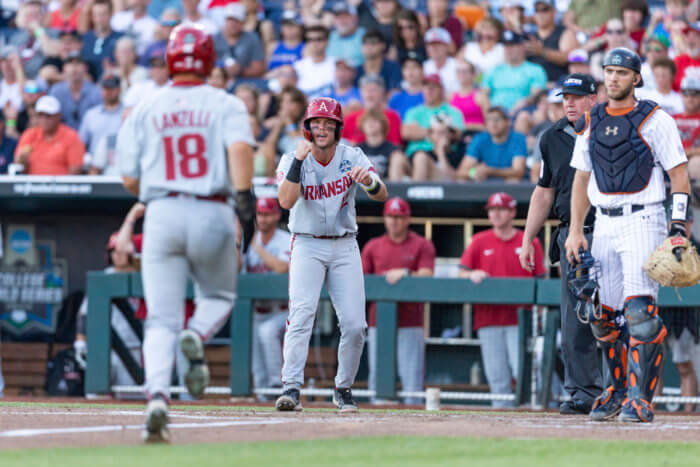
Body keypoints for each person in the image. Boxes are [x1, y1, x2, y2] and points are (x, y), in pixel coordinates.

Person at [116, 24, 256, 442]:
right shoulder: (225, 103)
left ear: (170, 59)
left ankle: (157, 396)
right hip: (212, 207)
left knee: (160, 318)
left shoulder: (146, 104)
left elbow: (127, 178)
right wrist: (245, 198)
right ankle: (196, 335)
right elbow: (240, 151)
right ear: (210, 60)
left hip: (161, 211)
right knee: (219, 296)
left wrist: (157, 193)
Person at [565, 47, 691, 423]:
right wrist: (575, 229)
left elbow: (679, 174)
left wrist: (678, 226)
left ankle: (641, 398)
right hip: (603, 220)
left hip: (643, 217)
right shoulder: (592, 118)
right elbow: (581, 178)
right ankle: (616, 390)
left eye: (621, 72)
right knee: (603, 315)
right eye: (608, 71)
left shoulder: (655, 118)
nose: (613, 78)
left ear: (636, 77)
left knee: (640, 313)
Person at [274, 97, 388, 413]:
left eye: (328, 124)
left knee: (354, 324)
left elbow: (382, 193)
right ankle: (291, 389)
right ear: (307, 128)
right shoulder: (291, 158)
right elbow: (285, 201)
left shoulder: (351, 155)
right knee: (301, 314)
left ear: (337, 128)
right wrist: (298, 161)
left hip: (343, 243)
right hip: (307, 242)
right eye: (316, 124)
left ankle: (343, 388)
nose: (322, 129)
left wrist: (369, 182)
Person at [519, 73, 602, 415]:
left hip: (612, 226)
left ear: (592, 99)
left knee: (618, 315)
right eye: (564, 96)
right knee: (575, 319)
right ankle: (583, 392)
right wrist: (527, 240)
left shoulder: (611, 129)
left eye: (576, 96)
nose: (568, 102)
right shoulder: (551, 137)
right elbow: (544, 191)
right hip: (571, 233)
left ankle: (625, 388)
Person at [459, 192, 546, 407]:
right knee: (497, 375)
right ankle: (501, 423)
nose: (496, 214)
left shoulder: (529, 241)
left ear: (512, 212)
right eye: (492, 210)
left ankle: (534, 416)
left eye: (501, 209)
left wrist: (540, 319)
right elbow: (461, 272)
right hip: (489, 319)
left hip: (522, 320)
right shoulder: (480, 240)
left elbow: (541, 281)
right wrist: (471, 274)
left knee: (525, 371)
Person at [362, 197, 435, 405]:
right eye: (390, 217)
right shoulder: (373, 246)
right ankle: (376, 418)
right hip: (379, 321)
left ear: (407, 219)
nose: (394, 221)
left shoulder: (422, 244)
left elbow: (428, 274)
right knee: (378, 372)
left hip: (411, 321)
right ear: (384, 218)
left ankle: (414, 422)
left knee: (411, 375)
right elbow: (359, 280)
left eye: (399, 217)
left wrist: (405, 273)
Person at [243, 198, 291, 397]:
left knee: (267, 332)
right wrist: (242, 243)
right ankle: (264, 397)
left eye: (267, 214)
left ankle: (275, 385)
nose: (263, 219)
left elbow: (282, 267)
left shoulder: (285, 239)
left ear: (277, 215)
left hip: (281, 310)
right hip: (257, 310)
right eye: (260, 214)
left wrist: (257, 246)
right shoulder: (249, 242)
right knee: (257, 367)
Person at [14, 95, 85, 175]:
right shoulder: (29, 135)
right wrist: (23, 161)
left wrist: (60, 185)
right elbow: (19, 166)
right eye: (40, 115)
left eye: (48, 115)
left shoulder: (71, 137)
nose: (44, 119)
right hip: (31, 185)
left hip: (62, 186)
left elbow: (75, 169)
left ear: (58, 116)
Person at [482, 30, 548, 112]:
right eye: (506, 46)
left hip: (521, 113)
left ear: (523, 46)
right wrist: (490, 112)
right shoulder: (494, 70)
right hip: (495, 116)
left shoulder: (535, 70)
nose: (508, 49)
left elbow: (536, 95)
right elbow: (483, 94)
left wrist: (525, 102)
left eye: (512, 45)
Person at [457, 106, 527, 182]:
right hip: (485, 182)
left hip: (506, 183)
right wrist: (474, 173)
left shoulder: (518, 138)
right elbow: (461, 171)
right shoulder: (480, 139)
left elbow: (518, 172)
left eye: (497, 119)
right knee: (462, 179)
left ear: (508, 122)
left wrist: (489, 171)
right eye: (489, 120)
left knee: (513, 180)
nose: (493, 124)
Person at [526, 0, 579, 84]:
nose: (540, 14)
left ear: (554, 12)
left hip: (557, 85)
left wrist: (542, 52)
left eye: (544, 9)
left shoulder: (565, 32)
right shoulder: (529, 36)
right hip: (532, 87)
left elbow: (569, 58)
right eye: (537, 10)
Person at [342, 75, 402, 146]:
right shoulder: (350, 118)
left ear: (382, 93)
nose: (369, 95)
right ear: (361, 93)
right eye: (366, 90)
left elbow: (396, 145)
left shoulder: (392, 116)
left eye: (373, 90)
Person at [49, 53, 103, 130]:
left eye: (78, 63)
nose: (74, 68)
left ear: (86, 68)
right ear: (64, 68)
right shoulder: (56, 91)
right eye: (70, 64)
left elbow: (99, 121)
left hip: (88, 136)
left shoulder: (95, 91)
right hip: (62, 137)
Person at [213, 3, 266, 80]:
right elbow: (208, 66)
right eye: (230, 20)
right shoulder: (215, 39)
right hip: (218, 81)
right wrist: (222, 71)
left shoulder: (252, 38)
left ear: (243, 23)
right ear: (225, 20)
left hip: (243, 81)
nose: (233, 24)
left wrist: (240, 70)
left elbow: (259, 68)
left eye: (237, 20)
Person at [80, 75, 123, 159]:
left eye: (111, 88)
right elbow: (81, 142)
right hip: (94, 165)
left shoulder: (128, 114)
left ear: (119, 89)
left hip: (120, 163)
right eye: (105, 88)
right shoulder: (91, 114)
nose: (108, 91)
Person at [81, 0, 124, 78]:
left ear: (111, 14)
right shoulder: (84, 39)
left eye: (104, 14)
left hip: (112, 84)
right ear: (92, 17)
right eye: (97, 15)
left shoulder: (120, 39)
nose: (100, 19)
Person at [357, 109, 404, 179]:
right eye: (367, 121)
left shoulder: (394, 150)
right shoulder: (356, 150)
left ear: (383, 125)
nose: (371, 123)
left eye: (375, 120)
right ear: (362, 126)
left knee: (397, 158)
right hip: (362, 187)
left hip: (387, 187)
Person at [294, 25, 336, 98]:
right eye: (310, 40)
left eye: (319, 39)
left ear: (327, 41)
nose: (314, 43)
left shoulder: (336, 64)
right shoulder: (298, 66)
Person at [675, 75, 700, 179]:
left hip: (694, 160)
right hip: (673, 160)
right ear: (681, 95)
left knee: (695, 164)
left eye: (694, 94)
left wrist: (690, 152)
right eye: (686, 94)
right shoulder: (671, 118)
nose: (690, 98)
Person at [326, 2, 365, 68]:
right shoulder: (329, 37)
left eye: (346, 17)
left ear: (355, 18)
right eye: (338, 17)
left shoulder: (365, 35)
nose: (342, 21)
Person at [387, 53, 425, 120]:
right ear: (402, 71)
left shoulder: (429, 96)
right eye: (406, 67)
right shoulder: (396, 98)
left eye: (414, 67)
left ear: (422, 70)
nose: (410, 71)